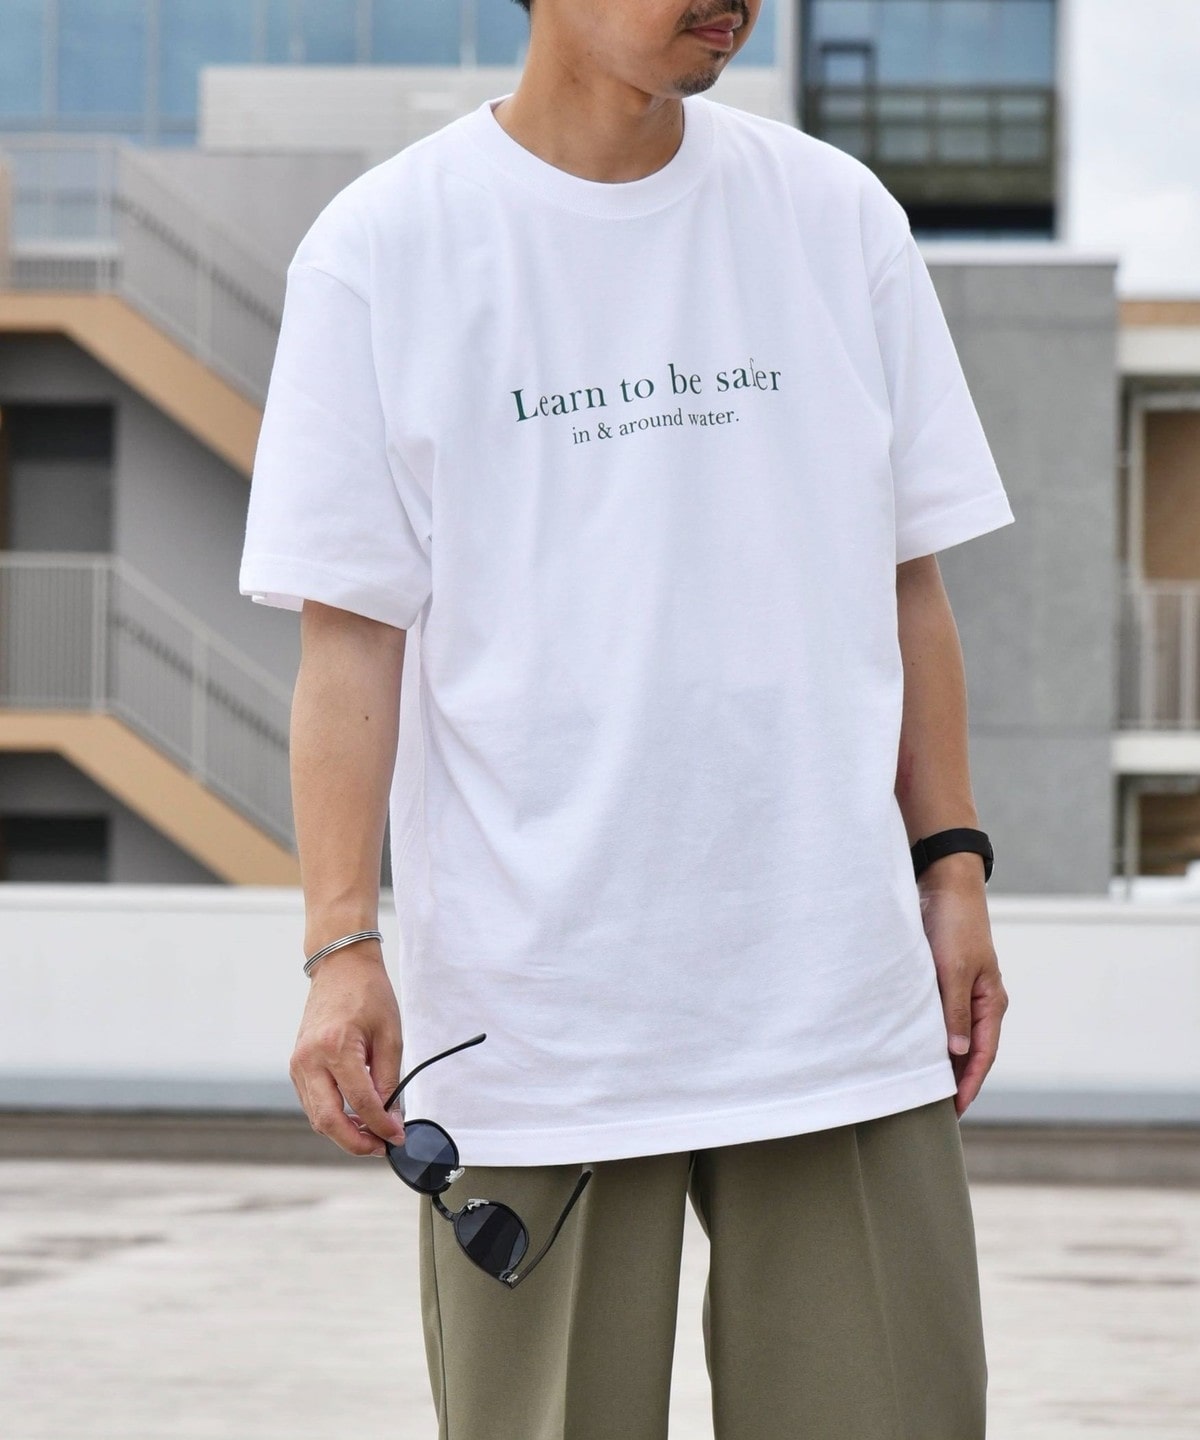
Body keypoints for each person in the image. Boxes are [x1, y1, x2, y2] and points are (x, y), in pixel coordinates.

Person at [238, 1, 1015, 1435]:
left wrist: (951, 865)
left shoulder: (834, 215)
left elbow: (908, 580)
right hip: (535, 1023)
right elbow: (350, 643)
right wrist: (341, 949)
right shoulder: (384, 249)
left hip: (832, 995)